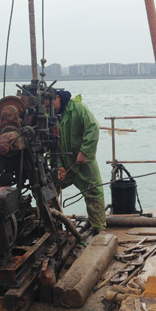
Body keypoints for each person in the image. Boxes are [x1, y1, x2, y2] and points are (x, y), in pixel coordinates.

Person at [46, 90, 106, 235]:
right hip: (64, 164)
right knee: (47, 190)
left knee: (94, 193)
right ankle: (51, 226)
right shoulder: (48, 116)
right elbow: (48, 144)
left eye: (49, 105)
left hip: (84, 163)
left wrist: (84, 152)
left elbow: (93, 128)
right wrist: (58, 166)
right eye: (46, 107)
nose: (48, 109)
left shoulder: (79, 108)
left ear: (58, 98)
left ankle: (99, 228)